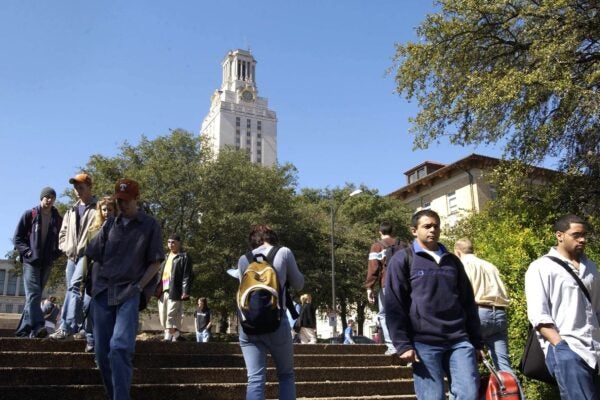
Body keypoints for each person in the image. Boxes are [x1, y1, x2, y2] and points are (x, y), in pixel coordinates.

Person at [385, 209, 484, 400]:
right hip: (424, 342)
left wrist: (477, 341)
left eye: (436, 226)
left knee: (469, 393)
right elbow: (394, 304)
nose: (433, 230)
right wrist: (403, 344)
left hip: (459, 340)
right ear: (414, 230)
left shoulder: (453, 261)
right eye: (427, 226)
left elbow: (467, 302)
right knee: (433, 397)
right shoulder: (403, 259)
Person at [86, 178, 164, 400]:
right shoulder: (110, 224)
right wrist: (93, 287)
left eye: (126, 201)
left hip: (129, 292)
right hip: (102, 291)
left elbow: (156, 262)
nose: (122, 205)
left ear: (136, 199)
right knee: (101, 353)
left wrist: (139, 287)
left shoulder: (150, 225)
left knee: (120, 347)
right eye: (119, 201)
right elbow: (93, 254)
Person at [525, 214, 600, 399]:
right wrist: (561, 347)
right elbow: (538, 315)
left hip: (595, 349)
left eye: (584, 235)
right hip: (569, 349)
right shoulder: (541, 267)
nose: (582, 239)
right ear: (559, 236)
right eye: (576, 235)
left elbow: (596, 309)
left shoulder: (590, 267)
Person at [236, 224, 304, 400]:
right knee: (286, 375)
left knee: (255, 378)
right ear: (272, 237)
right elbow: (299, 284)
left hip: (248, 325)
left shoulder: (244, 259)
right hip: (276, 322)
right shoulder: (284, 252)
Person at [454, 238, 513, 373]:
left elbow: (464, 294)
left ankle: (472, 393)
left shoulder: (463, 265)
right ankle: (512, 393)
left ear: (457, 252)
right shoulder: (489, 265)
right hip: (499, 312)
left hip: (478, 312)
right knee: (504, 365)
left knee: (469, 361)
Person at [50, 173, 97, 340]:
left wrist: (92, 250)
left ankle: (68, 327)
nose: (77, 191)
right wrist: (65, 247)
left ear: (90, 187)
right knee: (73, 290)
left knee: (77, 289)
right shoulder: (71, 210)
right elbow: (63, 233)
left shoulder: (98, 208)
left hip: (88, 256)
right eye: (76, 188)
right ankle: (79, 327)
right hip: (72, 256)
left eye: (81, 187)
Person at [13, 187, 62, 338]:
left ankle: (23, 331)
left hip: (46, 262)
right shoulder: (30, 214)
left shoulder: (57, 218)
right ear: (41, 198)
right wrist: (28, 252)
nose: (49, 200)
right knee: (34, 294)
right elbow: (18, 238)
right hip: (31, 261)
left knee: (34, 296)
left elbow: (62, 239)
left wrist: (55, 255)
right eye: (46, 197)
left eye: (52, 197)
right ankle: (38, 326)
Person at [365, 221, 407, 355]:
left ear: (380, 232)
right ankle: (407, 345)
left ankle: (392, 346)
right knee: (405, 313)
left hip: (387, 284)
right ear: (392, 231)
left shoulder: (377, 246)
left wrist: (369, 287)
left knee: (383, 314)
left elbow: (374, 268)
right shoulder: (404, 244)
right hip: (405, 284)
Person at [80, 196, 116, 352]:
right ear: (100, 211)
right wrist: (82, 278)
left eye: (110, 209)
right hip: (93, 274)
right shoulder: (93, 230)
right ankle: (90, 339)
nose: (107, 212)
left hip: (111, 275)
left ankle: (105, 341)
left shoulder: (120, 229)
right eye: (104, 209)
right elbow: (86, 256)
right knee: (88, 306)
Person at [155, 233, 193, 342]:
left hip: (175, 290)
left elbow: (187, 275)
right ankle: (176, 335)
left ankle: (167, 337)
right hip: (163, 290)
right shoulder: (165, 256)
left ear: (179, 243)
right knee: (163, 315)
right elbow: (159, 273)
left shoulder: (184, 257)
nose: (170, 244)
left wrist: (185, 291)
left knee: (171, 314)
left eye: (173, 242)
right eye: (169, 242)